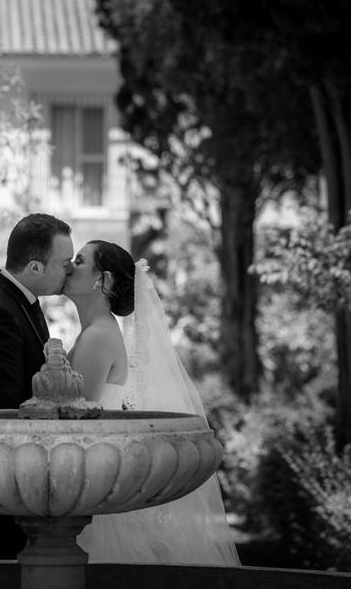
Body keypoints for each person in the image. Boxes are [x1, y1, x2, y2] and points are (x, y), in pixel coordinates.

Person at [64, 240, 240, 565]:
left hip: (94, 489)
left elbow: (69, 419)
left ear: (102, 280)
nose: (69, 266)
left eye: (79, 260)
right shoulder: (96, 332)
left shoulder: (98, 336)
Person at [0, 213, 74, 560]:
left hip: (15, 485)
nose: (69, 270)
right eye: (64, 262)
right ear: (35, 267)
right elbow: (9, 409)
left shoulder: (20, 301)